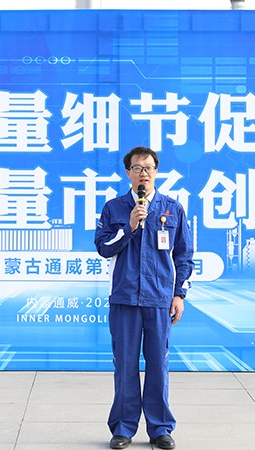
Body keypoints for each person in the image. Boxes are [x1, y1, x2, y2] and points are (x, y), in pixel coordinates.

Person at [94, 146, 194, 450]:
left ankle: (160, 428)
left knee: (158, 365)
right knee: (125, 364)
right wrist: (130, 227)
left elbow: (184, 255)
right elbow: (103, 248)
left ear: (156, 172)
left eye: (149, 168)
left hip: (160, 298)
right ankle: (123, 428)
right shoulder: (115, 208)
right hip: (125, 298)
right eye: (137, 168)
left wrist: (179, 294)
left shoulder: (172, 208)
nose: (144, 173)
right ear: (128, 173)